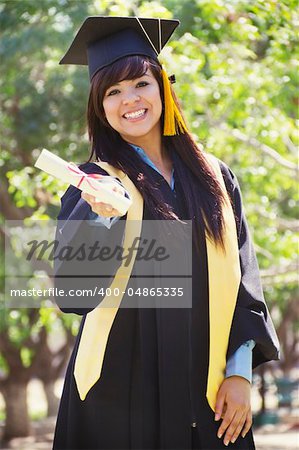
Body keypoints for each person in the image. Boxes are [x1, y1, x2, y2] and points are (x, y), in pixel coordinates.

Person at [52, 16, 279, 450]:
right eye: (112, 92)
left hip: (207, 392)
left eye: (140, 83)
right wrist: (98, 219)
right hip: (119, 395)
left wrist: (240, 372)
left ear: (163, 88)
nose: (130, 100)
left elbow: (245, 283)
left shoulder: (214, 177)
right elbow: (73, 296)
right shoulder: (95, 181)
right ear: (99, 108)